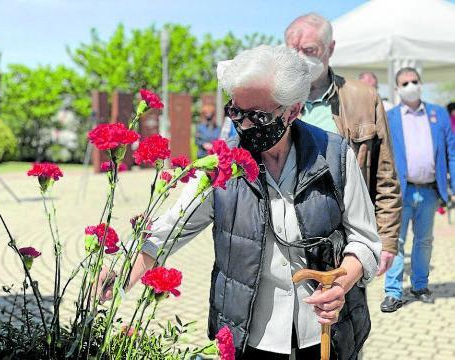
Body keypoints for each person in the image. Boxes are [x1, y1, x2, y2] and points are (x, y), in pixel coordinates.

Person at [99, 45, 381, 359]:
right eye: (236, 112)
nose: (244, 125)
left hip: (324, 332)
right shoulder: (220, 165)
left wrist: (341, 283)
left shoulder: (335, 154)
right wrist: (118, 276)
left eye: (257, 115)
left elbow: (365, 240)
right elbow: (166, 233)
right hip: (251, 335)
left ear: (293, 110)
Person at [284, 13, 401, 277]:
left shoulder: (363, 98)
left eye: (309, 50)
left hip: (347, 236)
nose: (299, 56)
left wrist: (388, 240)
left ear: (330, 49)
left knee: (345, 312)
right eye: (293, 49)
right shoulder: (273, 98)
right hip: (286, 235)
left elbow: (385, 175)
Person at [381, 67, 455, 312]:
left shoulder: (438, 114)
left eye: (414, 81)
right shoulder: (389, 117)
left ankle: (420, 286)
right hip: (399, 192)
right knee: (396, 242)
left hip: (429, 191)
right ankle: (392, 292)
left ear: (421, 84)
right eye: (405, 83)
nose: (411, 86)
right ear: (396, 89)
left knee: (424, 241)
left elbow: (451, 152)